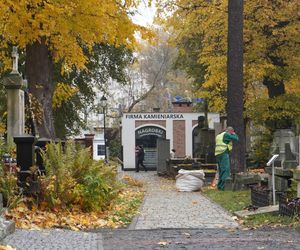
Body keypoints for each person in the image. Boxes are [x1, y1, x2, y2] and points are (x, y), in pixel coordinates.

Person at [214, 126, 238, 191]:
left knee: (221, 170)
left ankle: (219, 186)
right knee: (226, 170)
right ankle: (223, 187)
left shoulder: (219, 135)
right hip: (223, 153)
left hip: (218, 154)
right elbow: (236, 138)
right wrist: (234, 133)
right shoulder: (226, 134)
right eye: (231, 132)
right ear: (230, 131)